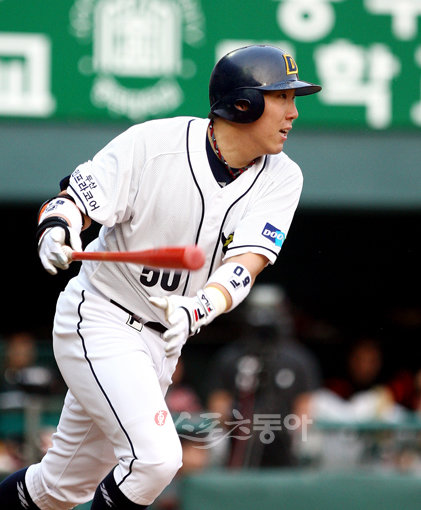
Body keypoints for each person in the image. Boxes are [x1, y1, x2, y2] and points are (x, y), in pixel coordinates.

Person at [0, 44, 321, 509]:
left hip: (164, 341)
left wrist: (202, 306)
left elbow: (246, 262)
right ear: (244, 103)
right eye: (282, 98)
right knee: (156, 460)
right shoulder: (154, 144)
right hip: (103, 317)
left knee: (59, 487)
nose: (293, 113)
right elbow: (73, 202)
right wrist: (57, 229)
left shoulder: (283, 177)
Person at [206, 284, 322, 468]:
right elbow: (218, 406)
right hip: (240, 445)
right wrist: (242, 420)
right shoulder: (230, 357)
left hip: (284, 446)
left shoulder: (298, 359)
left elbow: (305, 410)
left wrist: (280, 425)